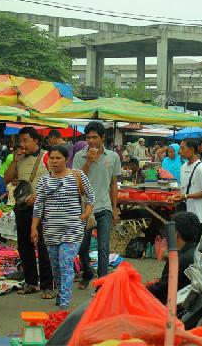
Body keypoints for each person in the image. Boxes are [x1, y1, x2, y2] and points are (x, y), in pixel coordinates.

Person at [31, 145, 95, 309]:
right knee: (56, 266)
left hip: (72, 229)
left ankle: (64, 304)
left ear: (66, 159)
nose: (54, 161)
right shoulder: (44, 180)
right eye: (51, 158)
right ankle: (61, 291)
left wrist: (85, 214)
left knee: (65, 263)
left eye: (58, 158)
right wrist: (33, 228)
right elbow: (38, 205)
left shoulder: (77, 175)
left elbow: (90, 196)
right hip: (50, 230)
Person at [2, 127, 54, 299]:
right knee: (24, 245)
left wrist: (38, 195)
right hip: (22, 207)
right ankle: (31, 282)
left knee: (43, 245)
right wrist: (15, 161)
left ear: (36, 141)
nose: (22, 144)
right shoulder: (20, 159)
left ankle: (48, 285)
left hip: (42, 207)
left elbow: (57, 180)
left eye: (25, 140)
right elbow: (7, 178)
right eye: (21, 141)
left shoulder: (47, 157)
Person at [73, 122, 122, 289]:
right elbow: (77, 181)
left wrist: (115, 208)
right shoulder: (79, 156)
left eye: (94, 137)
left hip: (105, 207)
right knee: (82, 246)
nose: (91, 141)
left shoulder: (113, 157)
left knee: (103, 246)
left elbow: (114, 184)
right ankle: (87, 272)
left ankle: (102, 283)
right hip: (85, 208)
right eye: (88, 137)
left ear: (102, 138)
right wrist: (89, 162)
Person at [147, 212, 199, 303]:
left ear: (176, 233)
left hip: (172, 308)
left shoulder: (179, 260)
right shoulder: (197, 252)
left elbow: (160, 290)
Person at [169, 138, 202, 233]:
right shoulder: (183, 167)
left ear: (192, 150)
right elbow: (184, 189)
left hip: (199, 217)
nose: (180, 152)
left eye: (182, 148)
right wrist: (177, 195)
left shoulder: (201, 168)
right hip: (186, 216)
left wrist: (185, 196)